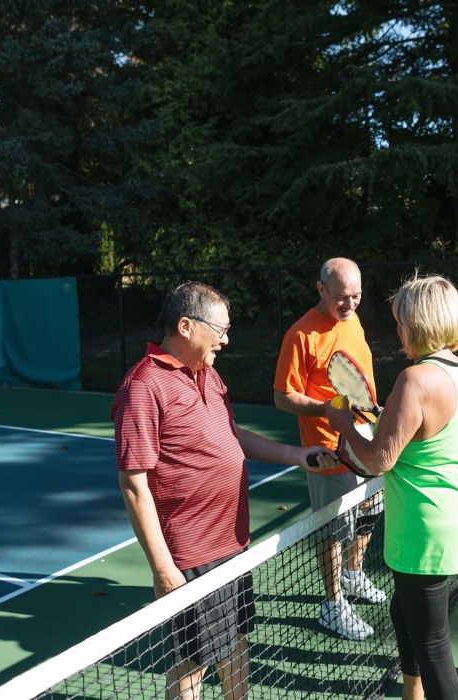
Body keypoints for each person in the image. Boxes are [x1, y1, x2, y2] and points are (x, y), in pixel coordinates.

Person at [112, 281, 335, 700]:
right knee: (194, 661)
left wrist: (296, 454)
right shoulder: (142, 387)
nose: (226, 340)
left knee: (234, 641)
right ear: (186, 326)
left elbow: (232, 435)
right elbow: (134, 483)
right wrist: (163, 568)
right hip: (192, 552)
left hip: (233, 542)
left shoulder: (209, 374)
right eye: (220, 329)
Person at [324, 274, 458, 700]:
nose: (398, 330)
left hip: (422, 531)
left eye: (400, 322)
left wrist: (343, 423)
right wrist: (394, 420)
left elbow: (378, 460)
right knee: (404, 611)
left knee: (433, 644)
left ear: (418, 324)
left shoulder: (415, 380)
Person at [273, 257, 387, 641]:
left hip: (365, 438)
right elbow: (283, 397)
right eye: (341, 297)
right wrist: (326, 410)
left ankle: (353, 574)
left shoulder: (352, 319)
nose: (349, 304)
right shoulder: (300, 335)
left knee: (370, 510)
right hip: (327, 449)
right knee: (334, 528)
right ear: (321, 289)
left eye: (356, 296)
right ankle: (333, 603)